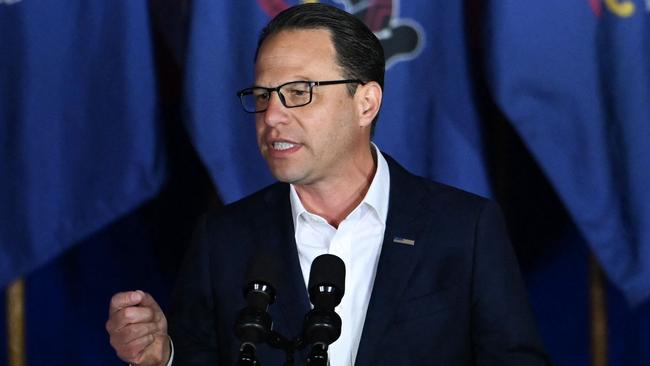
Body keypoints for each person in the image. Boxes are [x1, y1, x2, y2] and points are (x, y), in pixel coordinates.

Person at [106, 3, 549, 365]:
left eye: (299, 92)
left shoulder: (464, 228)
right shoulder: (222, 239)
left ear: (366, 102)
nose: (272, 117)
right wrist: (162, 357)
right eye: (263, 96)